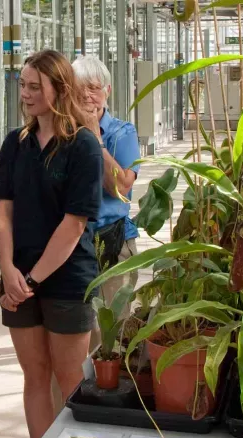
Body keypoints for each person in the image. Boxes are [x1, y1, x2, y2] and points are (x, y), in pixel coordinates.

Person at [0, 50, 103, 438]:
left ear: (59, 87)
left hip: (66, 279)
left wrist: (31, 280)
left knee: (70, 377)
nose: (26, 93)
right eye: (23, 85)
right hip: (18, 277)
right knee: (34, 375)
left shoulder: (83, 147)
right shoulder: (15, 144)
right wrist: (9, 271)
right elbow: (4, 211)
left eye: (36, 85)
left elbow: (75, 223)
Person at [72, 56, 140, 331]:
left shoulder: (122, 133)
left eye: (94, 88)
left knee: (114, 327)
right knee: (78, 330)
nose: (87, 96)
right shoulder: (61, 132)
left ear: (107, 91)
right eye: (80, 89)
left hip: (112, 241)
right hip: (72, 243)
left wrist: (94, 140)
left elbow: (122, 187)